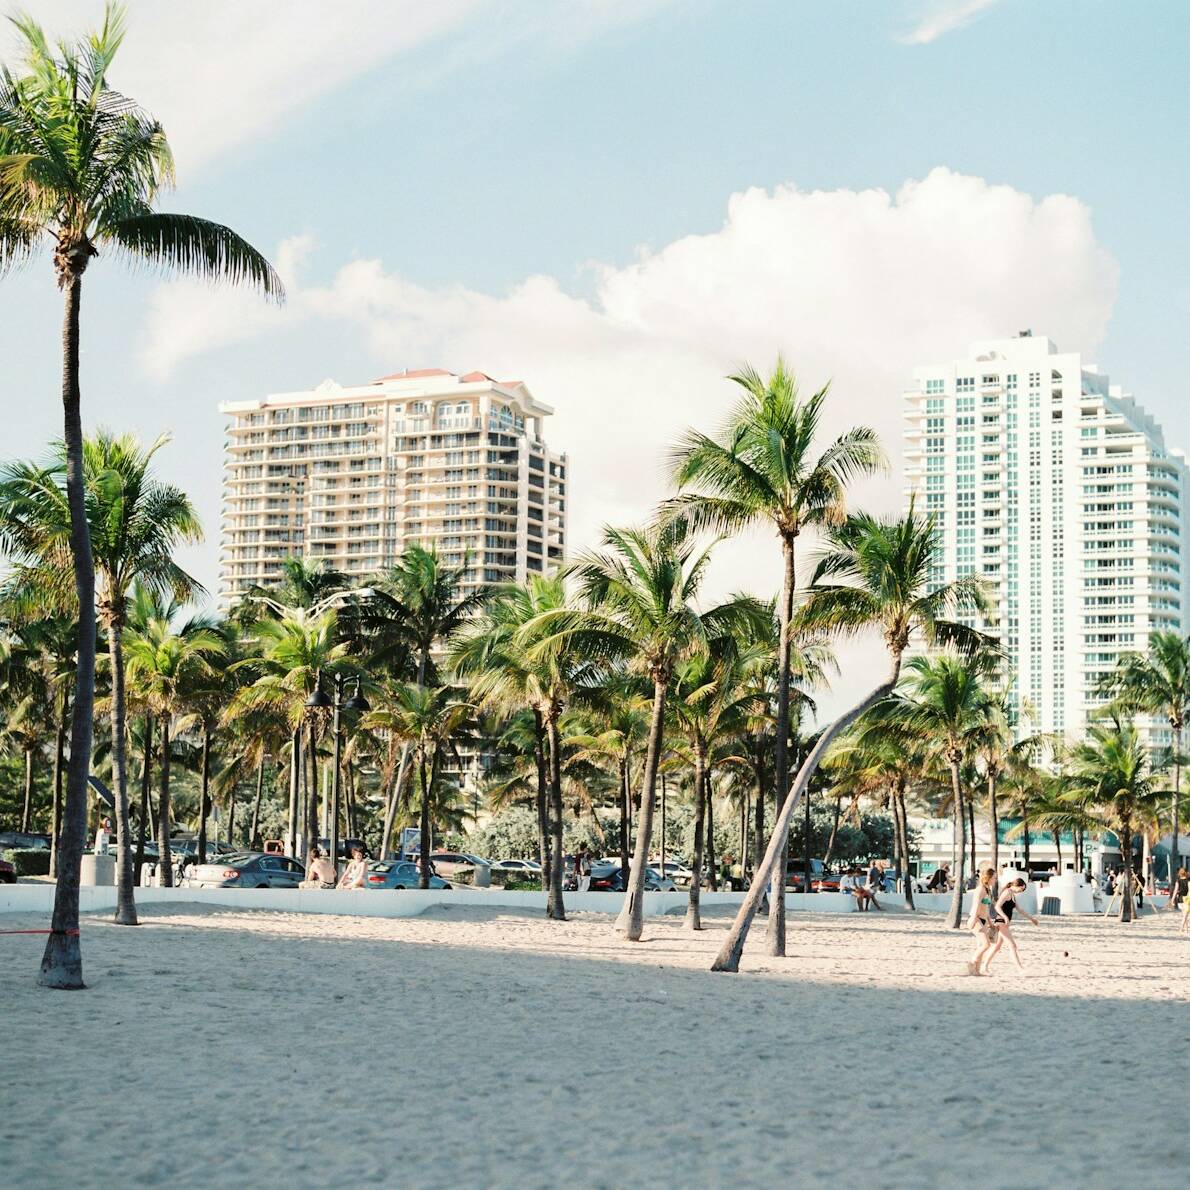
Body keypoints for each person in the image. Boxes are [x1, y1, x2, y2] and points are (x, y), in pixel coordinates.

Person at [985, 876, 1039, 971]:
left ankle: (985, 965)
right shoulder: (1007, 892)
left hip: (1004, 923)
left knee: (997, 947)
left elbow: (1020, 910)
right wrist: (1005, 917)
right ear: (1017, 885)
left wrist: (1032, 919)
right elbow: (997, 906)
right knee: (1012, 945)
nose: (1021, 891)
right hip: (1000, 921)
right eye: (1021, 889)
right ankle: (1020, 968)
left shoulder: (1012, 895)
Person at [965, 865, 999, 976]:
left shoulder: (988, 890)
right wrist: (973, 920)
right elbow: (976, 905)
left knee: (981, 946)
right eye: (994, 877)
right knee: (986, 945)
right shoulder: (980, 890)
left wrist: (990, 923)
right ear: (988, 878)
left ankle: (976, 971)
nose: (995, 880)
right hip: (976, 919)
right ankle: (971, 962)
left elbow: (986, 908)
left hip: (984, 920)